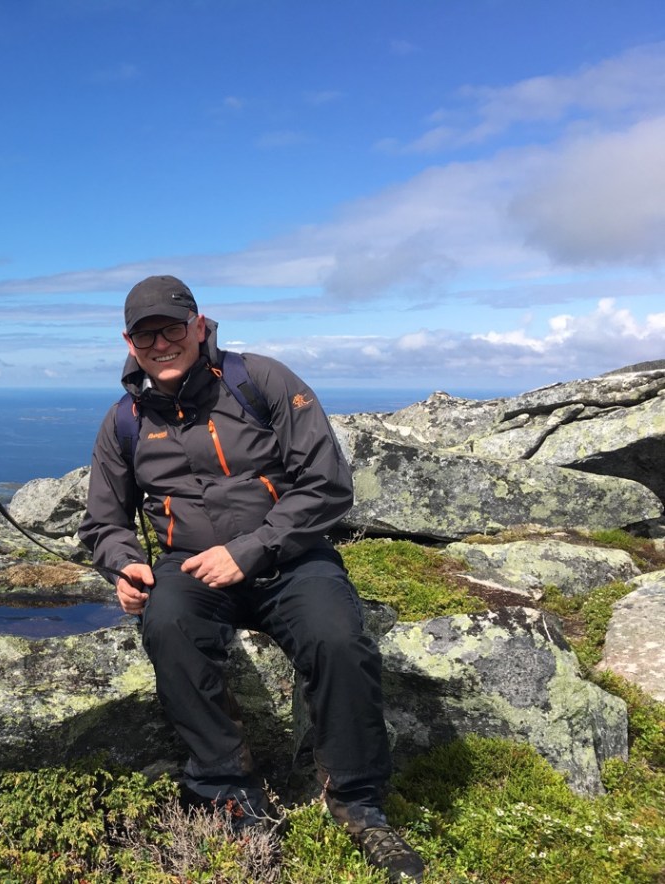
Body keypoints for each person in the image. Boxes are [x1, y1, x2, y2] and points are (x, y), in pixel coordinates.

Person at [78, 275, 425, 882]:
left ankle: (358, 802)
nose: (161, 344)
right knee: (168, 626)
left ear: (199, 325)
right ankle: (227, 789)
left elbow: (328, 485)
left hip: (291, 558)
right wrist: (124, 562)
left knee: (338, 639)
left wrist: (250, 550)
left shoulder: (261, 380)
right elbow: (104, 520)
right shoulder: (124, 421)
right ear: (128, 342)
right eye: (145, 335)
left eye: (172, 329)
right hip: (190, 567)